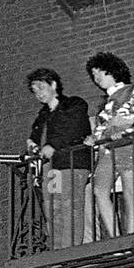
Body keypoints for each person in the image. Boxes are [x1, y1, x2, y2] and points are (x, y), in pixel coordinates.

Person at [83, 51, 134, 239]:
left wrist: (107, 129)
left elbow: (131, 119)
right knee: (99, 190)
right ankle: (115, 237)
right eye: (94, 75)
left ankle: (130, 237)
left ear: (112, 71)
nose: (96, 78)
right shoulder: (105, 104)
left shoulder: (133, 90)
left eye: (100, 73)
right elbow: (108, 127)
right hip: (108, 151)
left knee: (130, 193)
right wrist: (97, 136)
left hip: (129, 145)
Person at [25, 67, 92, 249]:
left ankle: (69, 250)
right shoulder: (42, 117)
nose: (38, 93)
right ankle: (57, 251)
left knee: (70, 206)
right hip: (52, 169)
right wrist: (33, 144)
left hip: (71, 163)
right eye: (35, 90)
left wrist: (52, 145)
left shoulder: (73, 104)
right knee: (53, 208)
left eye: (40, 87)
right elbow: (37, 137)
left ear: (53, 84)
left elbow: (74, 127)